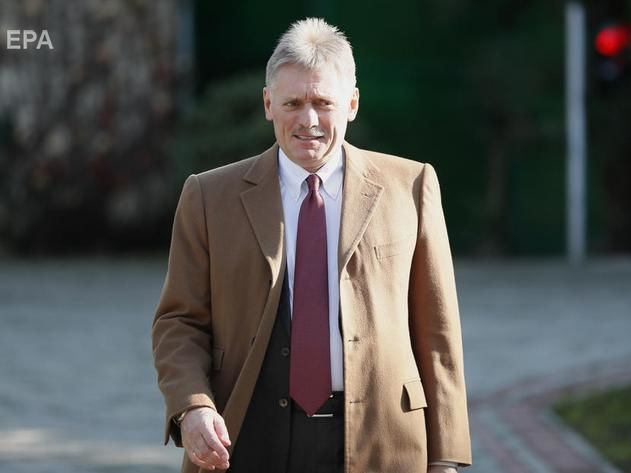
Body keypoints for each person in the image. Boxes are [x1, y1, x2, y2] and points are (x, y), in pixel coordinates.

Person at [152, 18, 472, 473]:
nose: (308, 120)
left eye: (323, 103)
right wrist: (193, 406)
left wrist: (446, 457)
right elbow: (178, 322)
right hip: (245, 438)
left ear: (352, 103)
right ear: (268, 103)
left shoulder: (412, 186)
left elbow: (438, 334)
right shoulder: (208, 196)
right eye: (293, 103)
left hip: (385, 440)